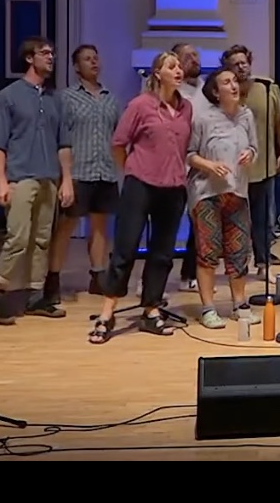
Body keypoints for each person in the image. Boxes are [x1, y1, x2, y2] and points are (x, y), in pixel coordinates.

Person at [89, 51, 193, 343]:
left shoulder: (186, 108)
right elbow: (119, 143)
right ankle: (107, 313)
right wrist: (132, 172)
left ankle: (151, 309)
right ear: (157, 73)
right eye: (171, 66)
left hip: (173, 188)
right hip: (141, 185)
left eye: (179, 66)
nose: (178, 70)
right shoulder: (140, 105)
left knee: (162, 253)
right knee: (126, 248)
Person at [0, 37, 74, 324]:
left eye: (52, 53)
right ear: (29, 58)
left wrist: (67, 180)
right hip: (20, 176)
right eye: (44, 53)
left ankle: (36, 296)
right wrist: (1, 181)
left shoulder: (55, 99)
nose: (51, 57)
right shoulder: (8, 96)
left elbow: (64, 143)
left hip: (49, 176)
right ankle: (2, 296)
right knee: (18, 238)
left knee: (41, 240)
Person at [187, 69, 261, 330]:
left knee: (239, 251)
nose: (233, 86)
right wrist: (209, 165)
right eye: (226, 82)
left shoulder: (246, 115)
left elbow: (254, 147)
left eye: (234, 82)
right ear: (216, 92)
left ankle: (240, 305)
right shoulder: (203, 119)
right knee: (208, 252)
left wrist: (250, 154)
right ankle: (208, 308)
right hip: (207, 193)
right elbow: (189, 154)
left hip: (238, 192)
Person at [47, 44, 121, 304]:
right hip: (78, 171)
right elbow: (60, 137)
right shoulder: (66, 97)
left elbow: (118, 136)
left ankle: (98, 275)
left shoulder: (111, 97)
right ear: (77, 66)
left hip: (105, 171)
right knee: (66, 227)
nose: (93, 62)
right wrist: (63, 175)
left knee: (100, 227)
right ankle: (53, 278)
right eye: (87, 59)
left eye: (96, 58)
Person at [223, 44, 280, 276]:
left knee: (263, 219)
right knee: (234, 219)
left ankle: (262, 263)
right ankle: (235, 264)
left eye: (244, 62)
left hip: (264, 163)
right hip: (232, 168)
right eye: (235, 64)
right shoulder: (223, 91)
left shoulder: (267, 87)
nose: (241, 67)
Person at [172, 42, 206, 292]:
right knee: (168, 224)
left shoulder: (207, 90)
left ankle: (189, 274)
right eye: (188, 56)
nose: (194, 59)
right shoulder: (172, 93)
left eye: (196, 55)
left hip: (201, 168)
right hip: (173, 168)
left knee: (199, 225)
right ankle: (152, 279)